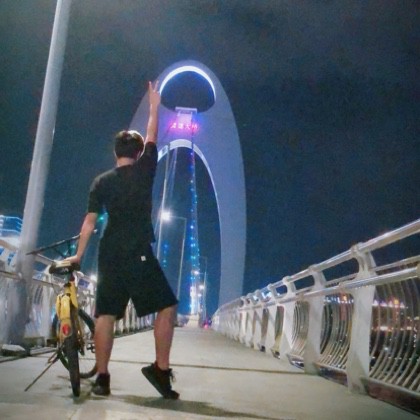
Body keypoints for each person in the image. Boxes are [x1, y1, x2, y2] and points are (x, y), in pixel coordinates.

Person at [66, 80, 179, 399]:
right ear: (139, 153)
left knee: (105, 314)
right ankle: (160, 370)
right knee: (167, 307)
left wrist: (78, 256)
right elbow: (153, 134)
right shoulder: (145, 170)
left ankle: (102, 377)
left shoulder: (101, 182)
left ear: (115, 152)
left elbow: (89, 223)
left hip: (109, 252)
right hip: (137, 252)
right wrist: (154, 106)